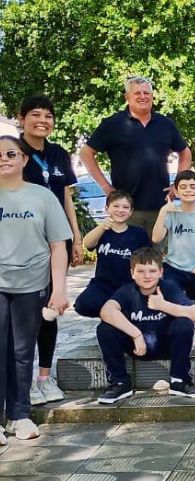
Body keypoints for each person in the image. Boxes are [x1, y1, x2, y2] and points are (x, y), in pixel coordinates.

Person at [0, 135, 70, 442]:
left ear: (24, 159)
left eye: (10, 154)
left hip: (32, 284)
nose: (4, 159)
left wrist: (59, 289)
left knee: (22, 351)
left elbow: (58, 246)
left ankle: (19, 415)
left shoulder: (42, 196)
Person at [18, 95, 83, 404]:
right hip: (25, 243)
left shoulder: (58, 154)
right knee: (26, 312)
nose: (42, 120)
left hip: (58, 241)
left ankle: (44, 377)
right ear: (21, 119)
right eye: (35, 114)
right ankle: (24, 379)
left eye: (48, 115)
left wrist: (77, 237)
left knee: (51, 308)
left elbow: (66, 198)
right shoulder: (13, 152)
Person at [80, 76, 191, 236]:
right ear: (127, 97)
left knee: (159, 251)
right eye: (137, 93)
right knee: (128, 251)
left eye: (146, 93)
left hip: (159, 208)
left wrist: (178, 183)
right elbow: (86, 153)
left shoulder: (165, 124)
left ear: (152, 96)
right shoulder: (112, 124)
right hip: (126, 209)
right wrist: (106, 187)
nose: (142, 96)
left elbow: (185, 152)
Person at [96, 247, 195, 404]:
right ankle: (120, 383)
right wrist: (136, 334)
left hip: (165, 345)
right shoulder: (127, 291)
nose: (147, 276)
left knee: (184, 323)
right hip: (137, 347)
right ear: (132, 273)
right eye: (141, 271)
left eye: (152, 271)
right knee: (105, 328)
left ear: (161, 272)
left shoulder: (169, 288)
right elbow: (106, 311)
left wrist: (163, 305)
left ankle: (179, 381)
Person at [75, 190, 150, 318]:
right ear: (106, 208)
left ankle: (118, 316)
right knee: (83, 304)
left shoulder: (138, 233)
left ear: (131, 211)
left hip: (129, 285)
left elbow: (148, 259)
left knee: (136, 308)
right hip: (103, 284)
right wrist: (101, 227)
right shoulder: (102, 231)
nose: (120, 210)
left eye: (125, 207)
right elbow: (87, 243)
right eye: (116, 206)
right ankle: (111, 315)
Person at [152, 170, 195, 306]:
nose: (188, 190)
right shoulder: (171, 213)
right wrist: (163, 211)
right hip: (173, 269)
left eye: (192, 187)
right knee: (173, 297)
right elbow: (156, 238)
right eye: (183, 187)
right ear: (176, 192)